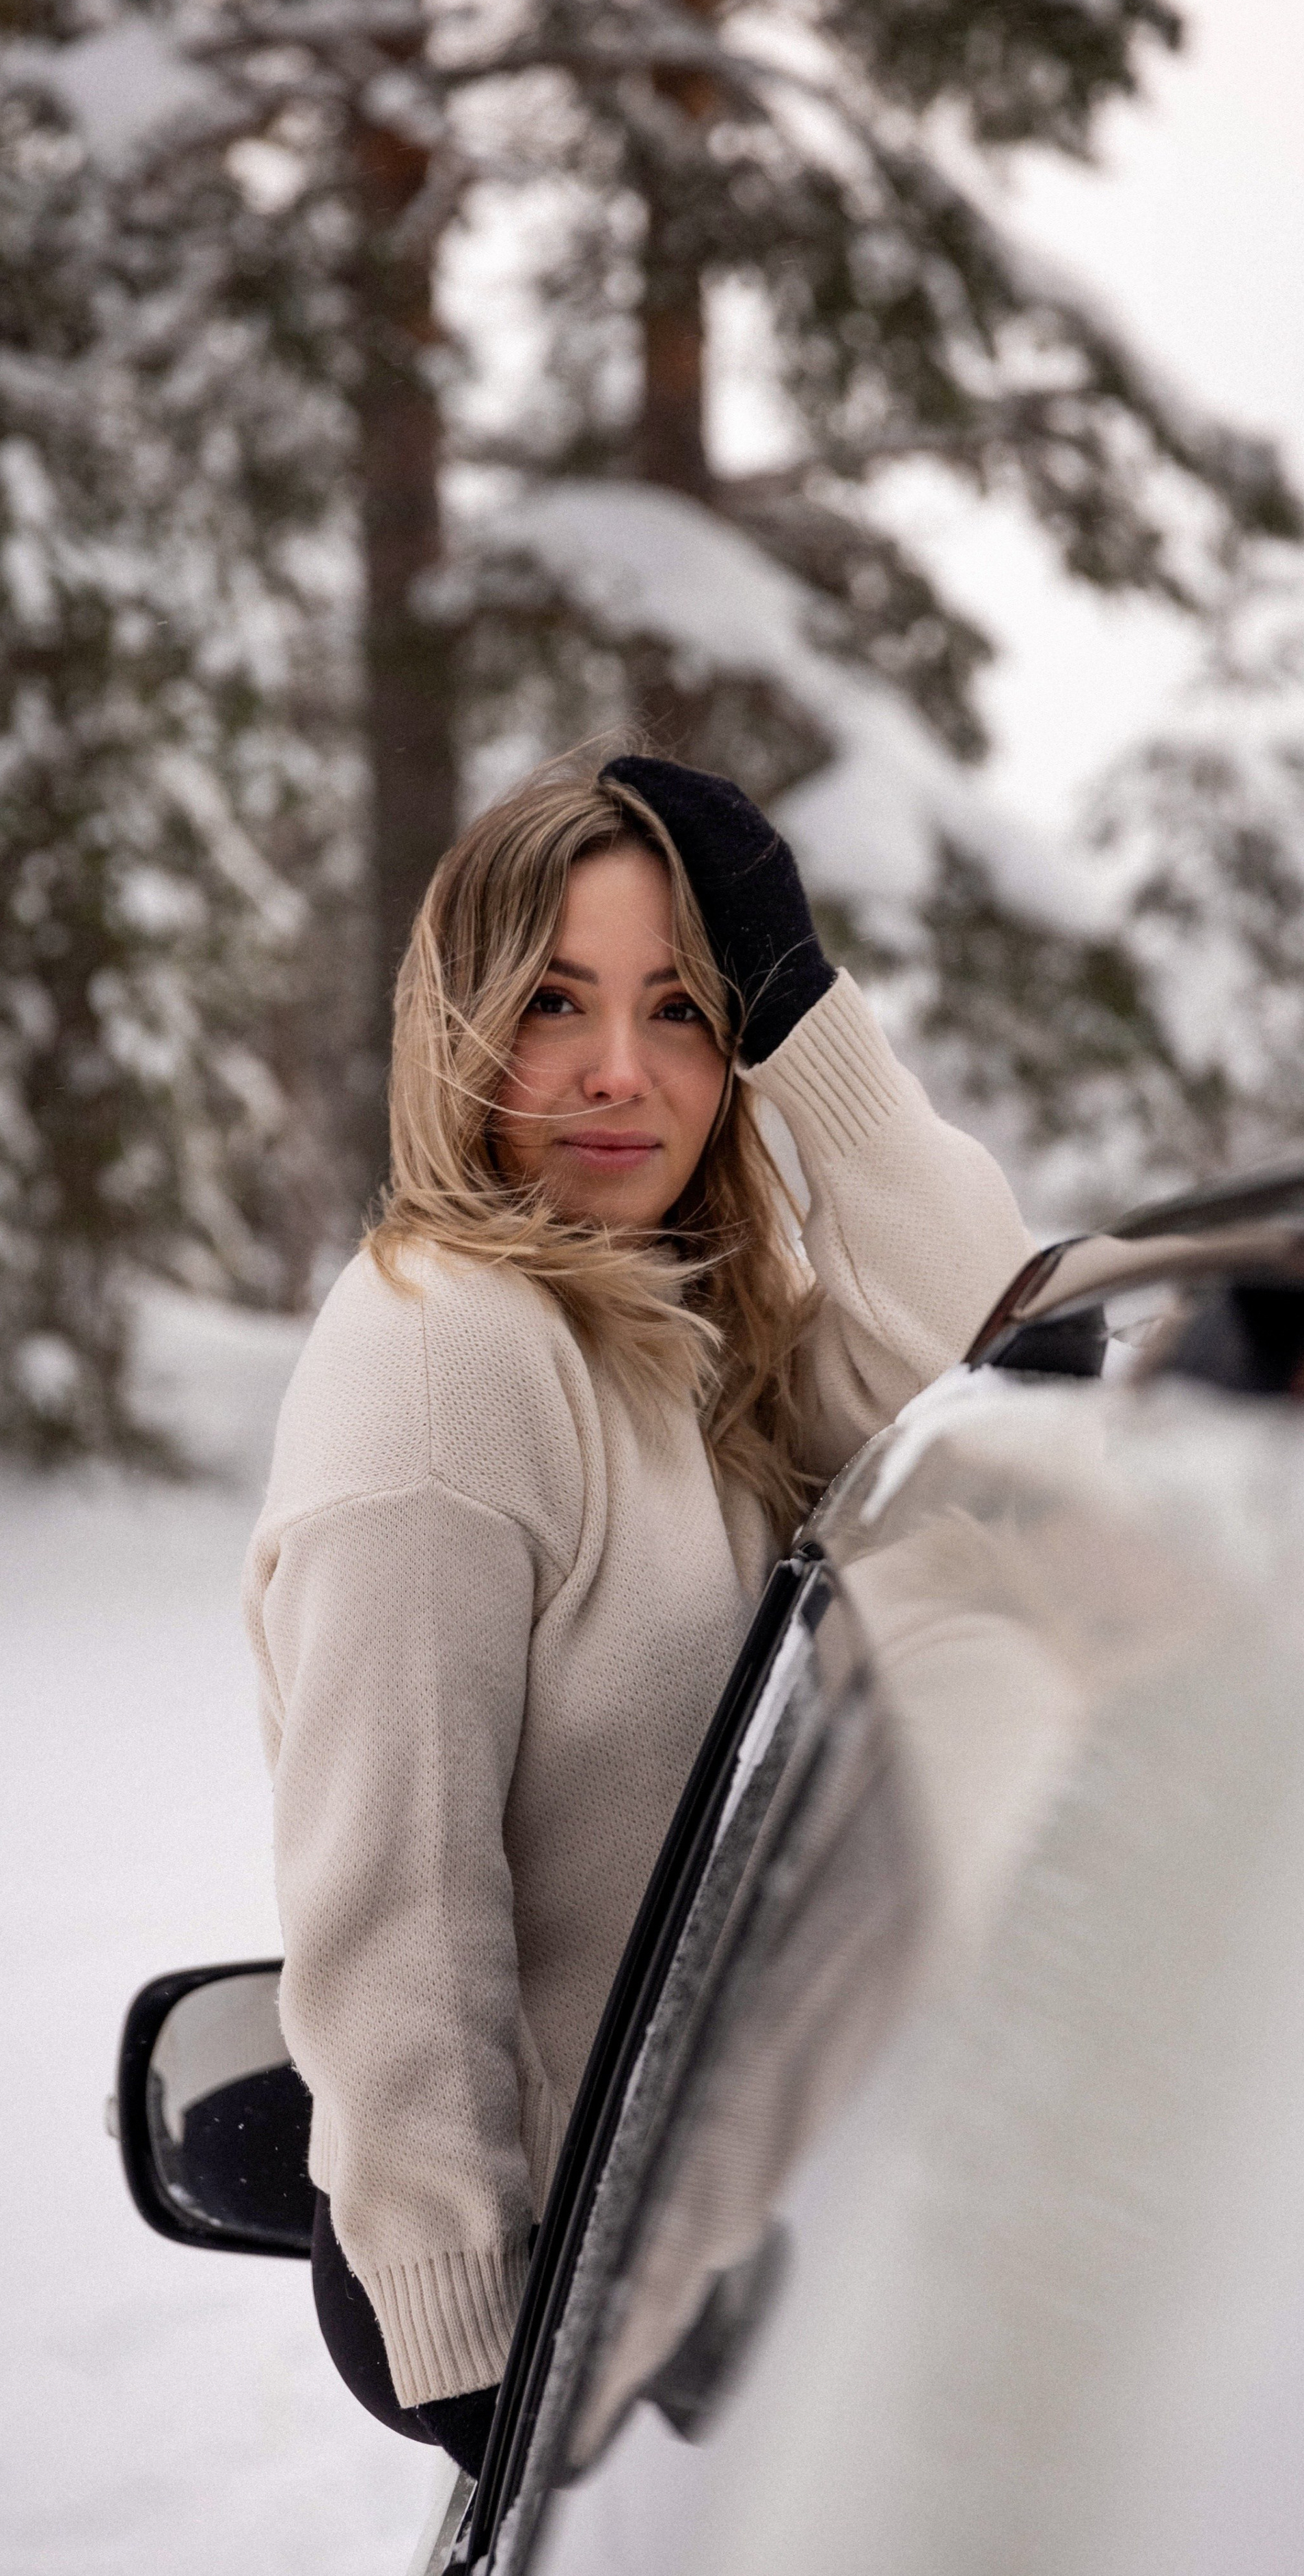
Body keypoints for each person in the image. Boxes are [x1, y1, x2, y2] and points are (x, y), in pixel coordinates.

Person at [242, 752, 1032, 2474]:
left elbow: (995, 1401)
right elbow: (392, 1878)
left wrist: (813, 1030)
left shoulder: (689, 1330)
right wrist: (481, 2350)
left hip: (805, 2278)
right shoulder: (444, 1352)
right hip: (630, 2358)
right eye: (553, 1003)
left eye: (680, 1009)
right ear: (458, 1029)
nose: (619, 1071)